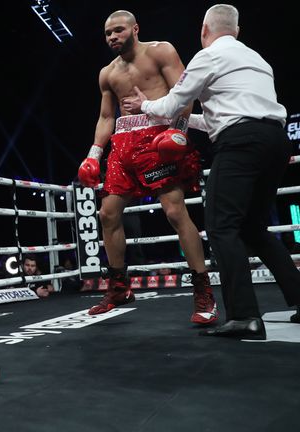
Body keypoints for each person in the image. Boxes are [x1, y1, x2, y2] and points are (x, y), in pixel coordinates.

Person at [122, 4, 300, 339]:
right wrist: (179, 120)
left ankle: (245, 316)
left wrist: (144, 106)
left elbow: (172, 104)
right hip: (275, 142)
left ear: (205, 30)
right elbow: (220, 116)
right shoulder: (258, 61)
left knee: (221, 227)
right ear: (237, 30)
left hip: (241, 144)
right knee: (255, 229)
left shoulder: (207, 57)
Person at [77, 10, 217, 324]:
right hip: (122, 144)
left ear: (135, 28)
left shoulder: (161, 51)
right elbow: (105, 117)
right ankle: (118, 288)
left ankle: (203, 291)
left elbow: (186, 94)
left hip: (157, 139)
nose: (112, 37)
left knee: (174, 211)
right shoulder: (107, 73)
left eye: (118, 30)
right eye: (108, 33)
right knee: (107, 214)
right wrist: (93, 154)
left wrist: (178, 132)